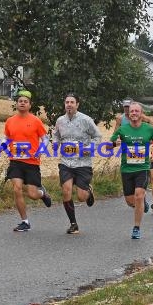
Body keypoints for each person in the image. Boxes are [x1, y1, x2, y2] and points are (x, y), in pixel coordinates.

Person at [109, 102, 153, 239]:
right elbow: (108, 146)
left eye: (136, 111)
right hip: (127, 169)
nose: (134, 113)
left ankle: (136, 228)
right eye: (131, 111)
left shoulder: (148, 129)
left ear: (141, 113)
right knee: (131, 201)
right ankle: (142, 203)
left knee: (138, 195)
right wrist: (115, 144)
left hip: (142, 168)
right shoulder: (122, 129)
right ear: (129, 113)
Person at [3, 90, 52, 232]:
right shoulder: (10, 121)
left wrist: (40, 151)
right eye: (20, 101)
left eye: (25, 101)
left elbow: (45, 139)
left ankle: (42, 194)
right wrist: (5, 147)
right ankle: (25, 221)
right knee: (17, 189)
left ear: (30, 105)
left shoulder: (35, 121)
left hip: (31, 162)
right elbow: (7, 138)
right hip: (15, 161)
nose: (22, 103)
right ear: (16, 104)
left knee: (32, 194)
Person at [52, 93, 101, 234]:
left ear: (77, 104)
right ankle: (73, 224)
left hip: (83, 163)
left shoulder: (86, 120)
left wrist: (90, 148)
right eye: (67, 102)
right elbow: (56, 135)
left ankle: (88, 191)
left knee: (81, 196)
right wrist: (55, 144)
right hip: (66, 162)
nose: (69, 104)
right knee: (66, 190)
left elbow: (97, 136)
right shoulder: (60, 120)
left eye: (72, 102)